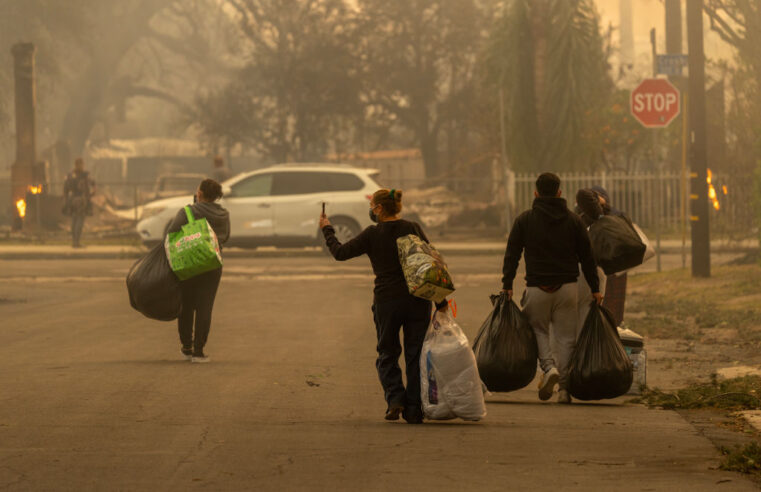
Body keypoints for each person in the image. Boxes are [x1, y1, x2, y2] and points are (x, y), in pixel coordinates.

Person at [320, 189, 448, 424]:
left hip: (387, 302)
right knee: (415, 355)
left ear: (379, 209)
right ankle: (414, 409)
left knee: (387, 352)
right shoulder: (412, 228)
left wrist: (327, 229)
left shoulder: (372, 234)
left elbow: (340, 253)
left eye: (372, 207)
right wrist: (440, 301)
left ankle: (395, 399)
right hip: (417, 300)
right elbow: (430, 264)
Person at [501, 173, 602, 404]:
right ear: (559, 193)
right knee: (567, 338)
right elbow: (587, 257)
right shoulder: (574, 221)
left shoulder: (524, 220)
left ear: (536, 193)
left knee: (538, 330)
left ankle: (548, 369)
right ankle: (564, 389)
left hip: (537, 288)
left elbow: (512, 255)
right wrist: (595, 288)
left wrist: (507, 284)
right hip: (568, 287)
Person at [166, 179, 230, 363]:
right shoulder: (224, 214)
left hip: (189, 263)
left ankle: (186, 347)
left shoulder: (189, 211)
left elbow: (171, 234)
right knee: (205, 306)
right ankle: (199, 351)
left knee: (186, 305)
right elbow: (225, 237)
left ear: (200, 193)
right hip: (213, 264)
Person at [590, 185, 628, 327]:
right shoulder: (619, 216)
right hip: (618, 268)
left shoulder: (590, 217)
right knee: (614, 307)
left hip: (602, 269)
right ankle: (613, 328)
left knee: (601, 305)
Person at [575, 188, 608, 329]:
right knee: (588, 323)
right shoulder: (607, 221)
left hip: (577, 275)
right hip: (598, 275)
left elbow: (582, 194)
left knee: (574, 323)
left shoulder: (577, 220)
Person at [62, 158, 95, 248]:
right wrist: (90, 194)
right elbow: (93, 184)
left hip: (72, 199)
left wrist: (66, 199)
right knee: (79, 220)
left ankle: (74, 241)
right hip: (80, 200)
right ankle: (76, 242)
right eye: (81, 164)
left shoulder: (70, 175)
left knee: (74, 220)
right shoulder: (85, 175)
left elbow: (65, 189)